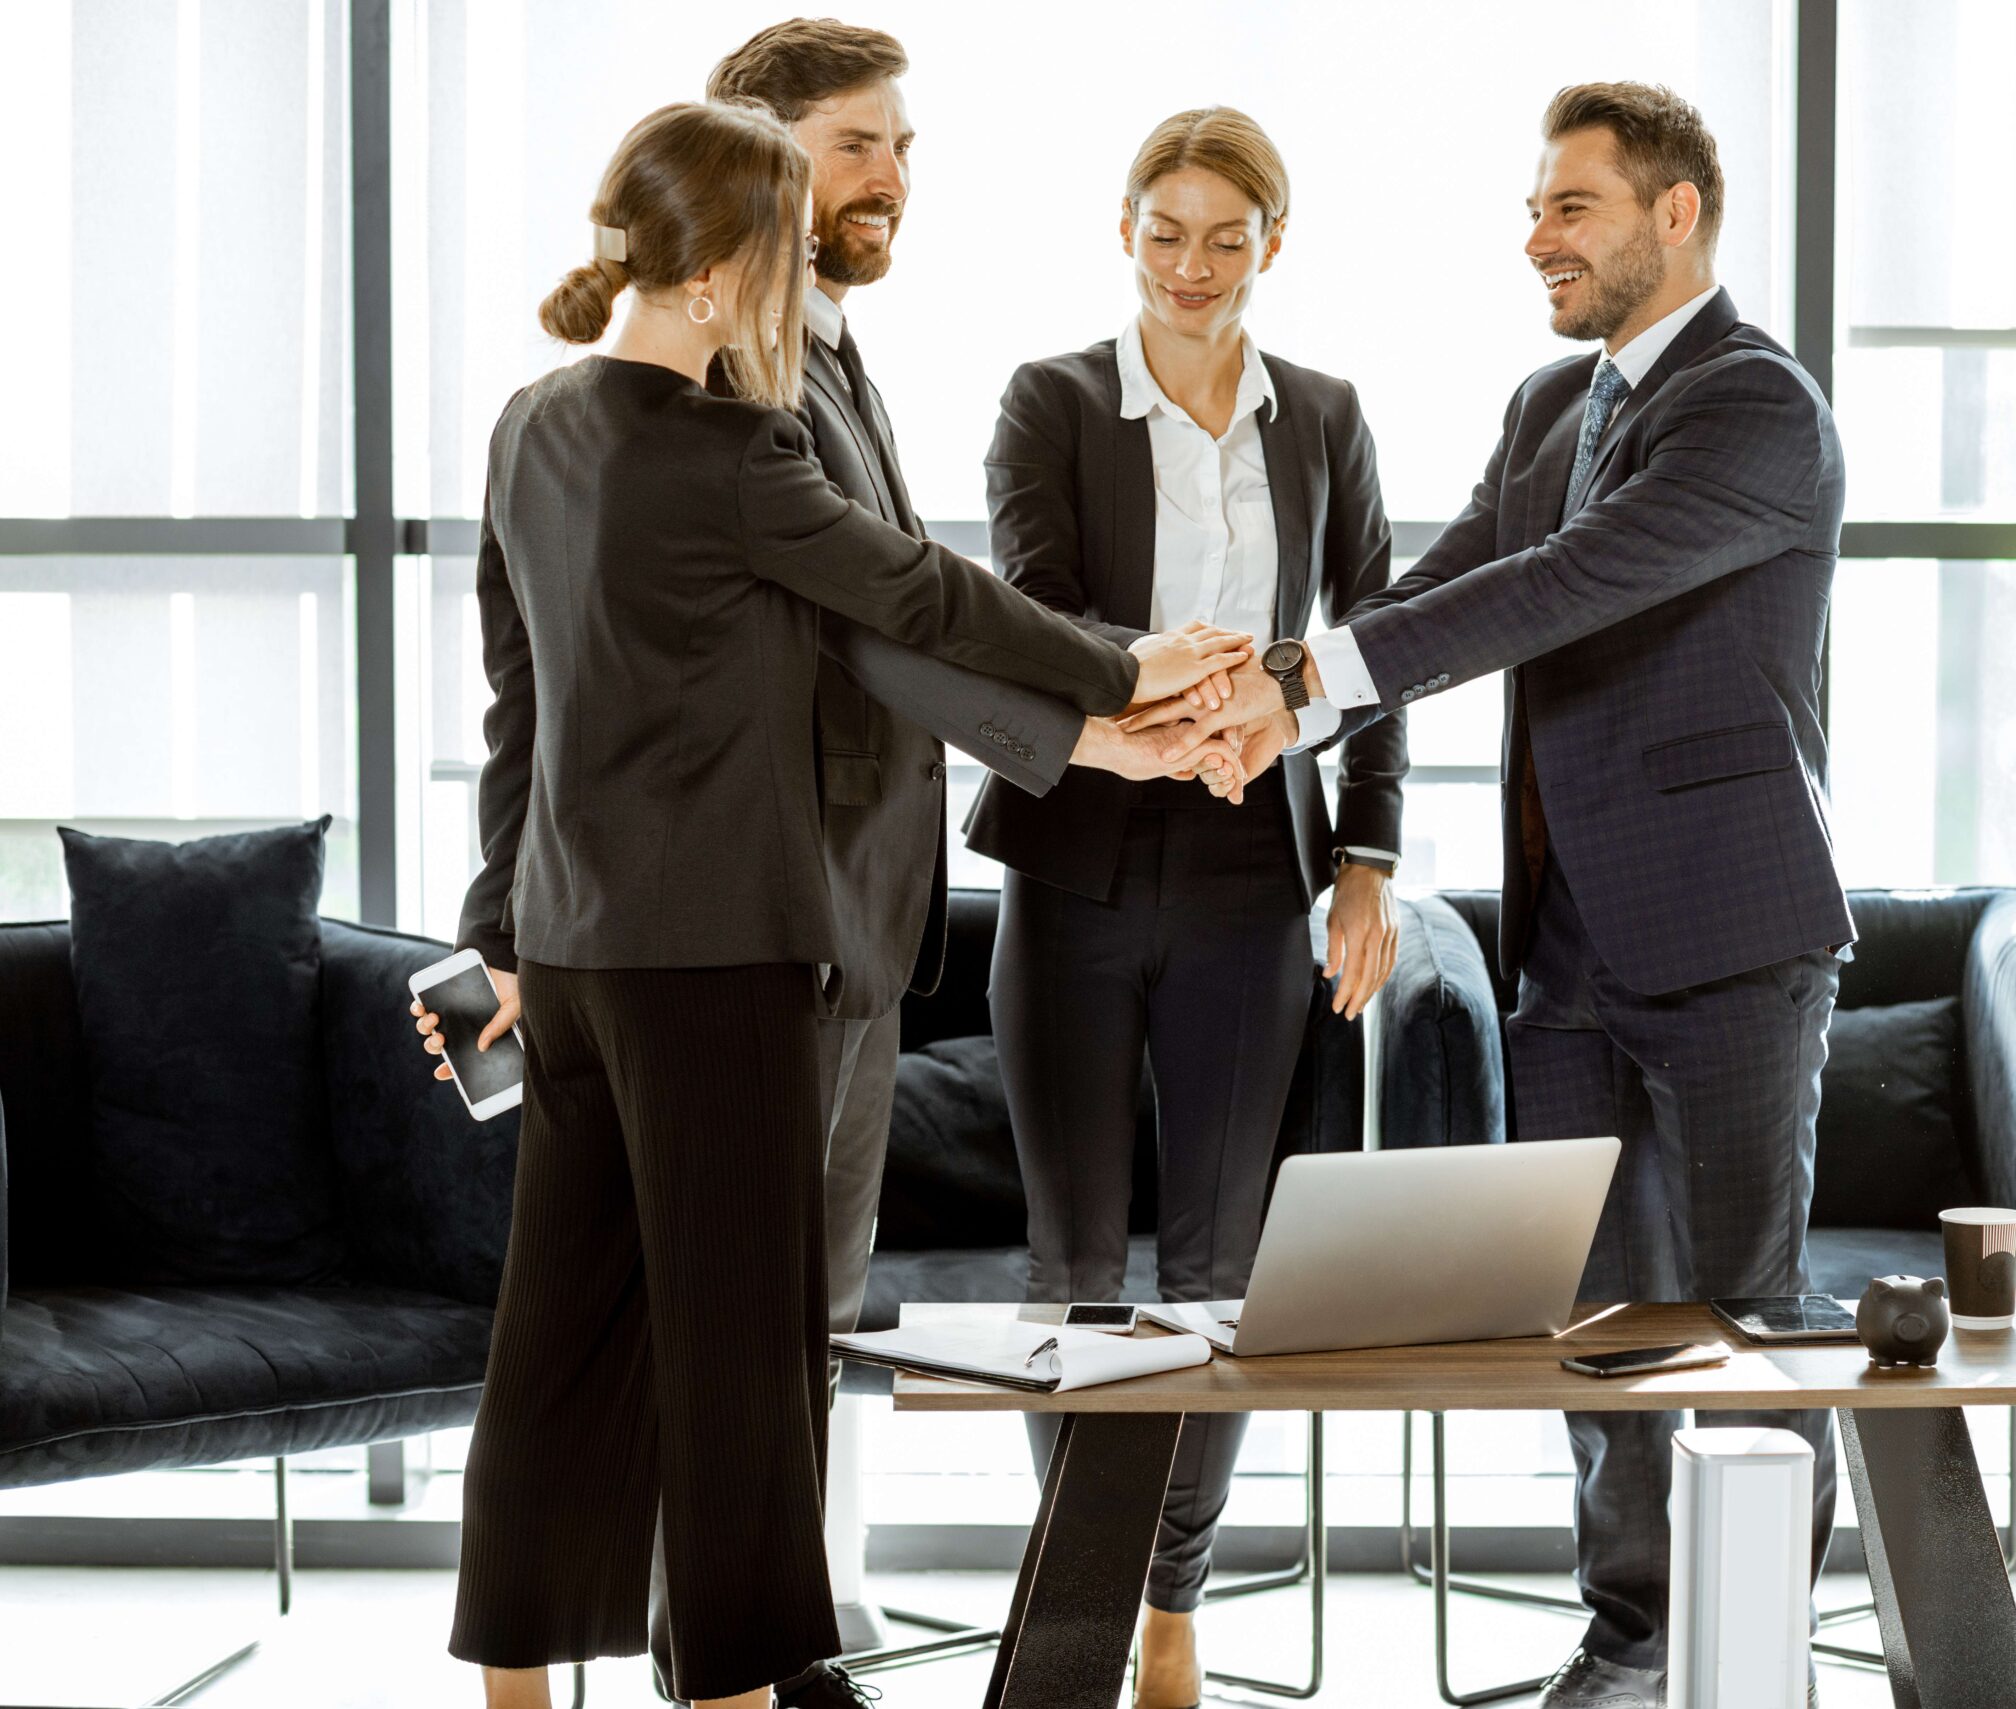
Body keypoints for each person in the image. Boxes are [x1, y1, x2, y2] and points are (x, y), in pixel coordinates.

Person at [416, 100, 1240, 1709]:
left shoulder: (534, 425)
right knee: (741, 1359)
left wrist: (499, 928)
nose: (804, 283)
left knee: (559, 1336)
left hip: (574, 958)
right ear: (721, 274)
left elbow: (519, 704)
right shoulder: (738, 449)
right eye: (784, 253)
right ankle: (734, 1690)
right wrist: (1124, 661)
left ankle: (516, 1685)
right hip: (717, 956)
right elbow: (911, 587)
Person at [1147, 82, 1851, 1709]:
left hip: (1735, 934)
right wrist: (1266, 682)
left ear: (1676, 216)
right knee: (1604, 1325)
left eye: (1572, 208)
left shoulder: (1759, 407)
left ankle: (1750, 1654)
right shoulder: (1554, 404)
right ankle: (1628, 1635)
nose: (1537, 237)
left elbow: (1562, 586)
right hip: (1572, 949)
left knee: (1747, 1313)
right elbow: (1457, 571)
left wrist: (1313, 674)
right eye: (1536, 207)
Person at [964, 106, 1408, 1709]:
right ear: (1126, 232)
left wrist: (1366, 859)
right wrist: (1190, 696)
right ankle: (1073, 1596)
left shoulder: (1329, 416)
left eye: (1229, 235)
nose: (1195, 264)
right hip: (1077, 859)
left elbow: (1375, 642)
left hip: (1247, 874)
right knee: (1075, 1259)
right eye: (1168, 230)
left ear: (1272, 245)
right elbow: (1031, 611)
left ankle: (1169, 1600)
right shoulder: (1055, 401)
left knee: (1221, 1267)